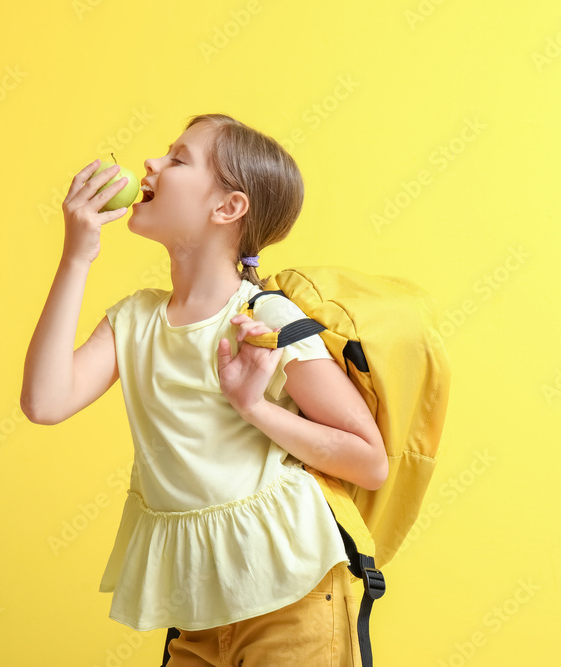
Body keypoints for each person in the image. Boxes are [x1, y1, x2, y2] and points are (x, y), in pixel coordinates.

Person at [20, 113, 389, 666]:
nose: (151, 164)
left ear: (228, 208)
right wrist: (77, 256)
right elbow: (44, 403)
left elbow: (369, 463)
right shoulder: (134, 319)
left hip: (295, 596)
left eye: (178, 158)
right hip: (198, 609)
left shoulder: (264, 318)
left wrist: (253, 406)